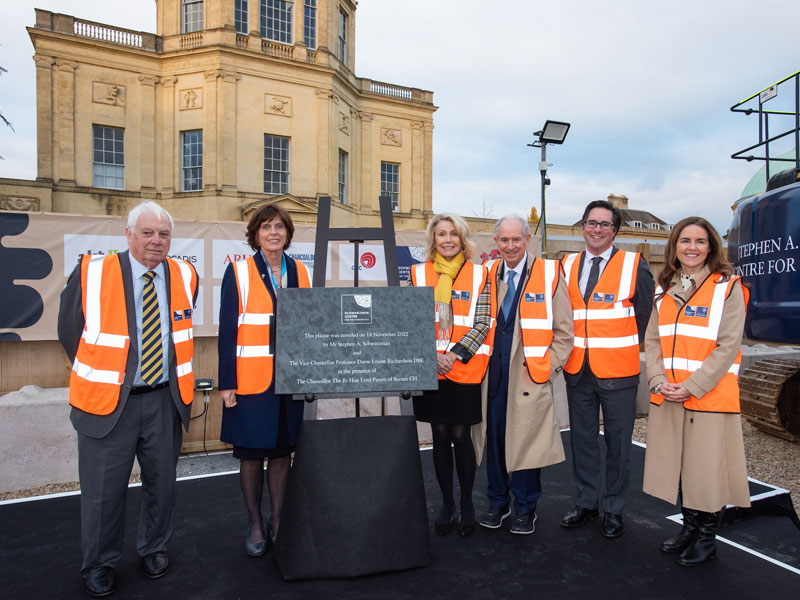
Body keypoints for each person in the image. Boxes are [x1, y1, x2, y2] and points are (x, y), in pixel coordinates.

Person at [58, 201, 198, 597]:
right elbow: (70, 333)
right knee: (103, 492)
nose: (156, 241)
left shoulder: (185, 274)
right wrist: (110, 375)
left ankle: (154, 548)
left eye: (164, 234)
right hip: (108, 405)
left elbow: (177, 335)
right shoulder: (92, 271)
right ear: (128, 235)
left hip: (163, 401)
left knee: (162, 485)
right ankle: (100, 563)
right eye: (148, 233)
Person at [643, 216, 750, 566]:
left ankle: (707, 537)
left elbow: (728, 345)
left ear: (711, 247)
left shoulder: (728, 288)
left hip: (708, 397)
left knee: (707, 470)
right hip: (670, 396)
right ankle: (689, 528)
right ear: (674, 247)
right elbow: (653, 341)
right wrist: (658, 380)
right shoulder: (665, 289)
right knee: (682, 467)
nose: (692, 247)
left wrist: (690, 387)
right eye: (685, 241)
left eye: (700, 241)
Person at [218, 205, 311, 557]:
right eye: (266, 227)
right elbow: (227, 331)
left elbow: (309, 322)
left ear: (287, 233)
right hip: (251, 382)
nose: (274, 232)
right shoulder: (238, 272)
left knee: (283, 453)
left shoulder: (300, 270)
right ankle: (255, 523)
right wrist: (228, 382)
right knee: (253, 456)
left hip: (291, 379)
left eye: (279, 227)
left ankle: (279, 521)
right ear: (255, 234)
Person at [472, 215, 572, 534]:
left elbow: (565, 333)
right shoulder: (485, 274)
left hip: (530, 378)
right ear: (495, 242)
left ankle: (525, 508)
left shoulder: (550, 274)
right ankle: (497, 502)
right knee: (496, 440)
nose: (510, 246)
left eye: (517, 240)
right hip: (493, 376)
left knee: (527, 442)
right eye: (504, 240)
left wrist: (547, 367)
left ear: (528, 240)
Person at [559, 200, 654, 538]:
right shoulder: (566, 265)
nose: (597, 229)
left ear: (615, 230)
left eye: (604, 224)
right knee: (582, 441)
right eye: (591, 223)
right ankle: (587, 502)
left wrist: (625, 344)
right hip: (578, 371)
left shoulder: (634, 264)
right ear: (583, 226)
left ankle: (613, 508)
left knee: (617, 444)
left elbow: (645, 314)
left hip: (618, 372)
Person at [410, 213, 492, 537]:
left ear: (462, 239)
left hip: (464, 369)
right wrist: (433, 356)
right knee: (440, 436)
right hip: (431, 369)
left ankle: (468, 502)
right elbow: (409, 321)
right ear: (433, 239)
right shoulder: (417, 275)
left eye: (453, 234)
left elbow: (484, 322)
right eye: (441, 234)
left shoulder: (480, 275)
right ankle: (447, 503)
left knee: (461, 436)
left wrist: (453, 355)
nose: (447, 239)